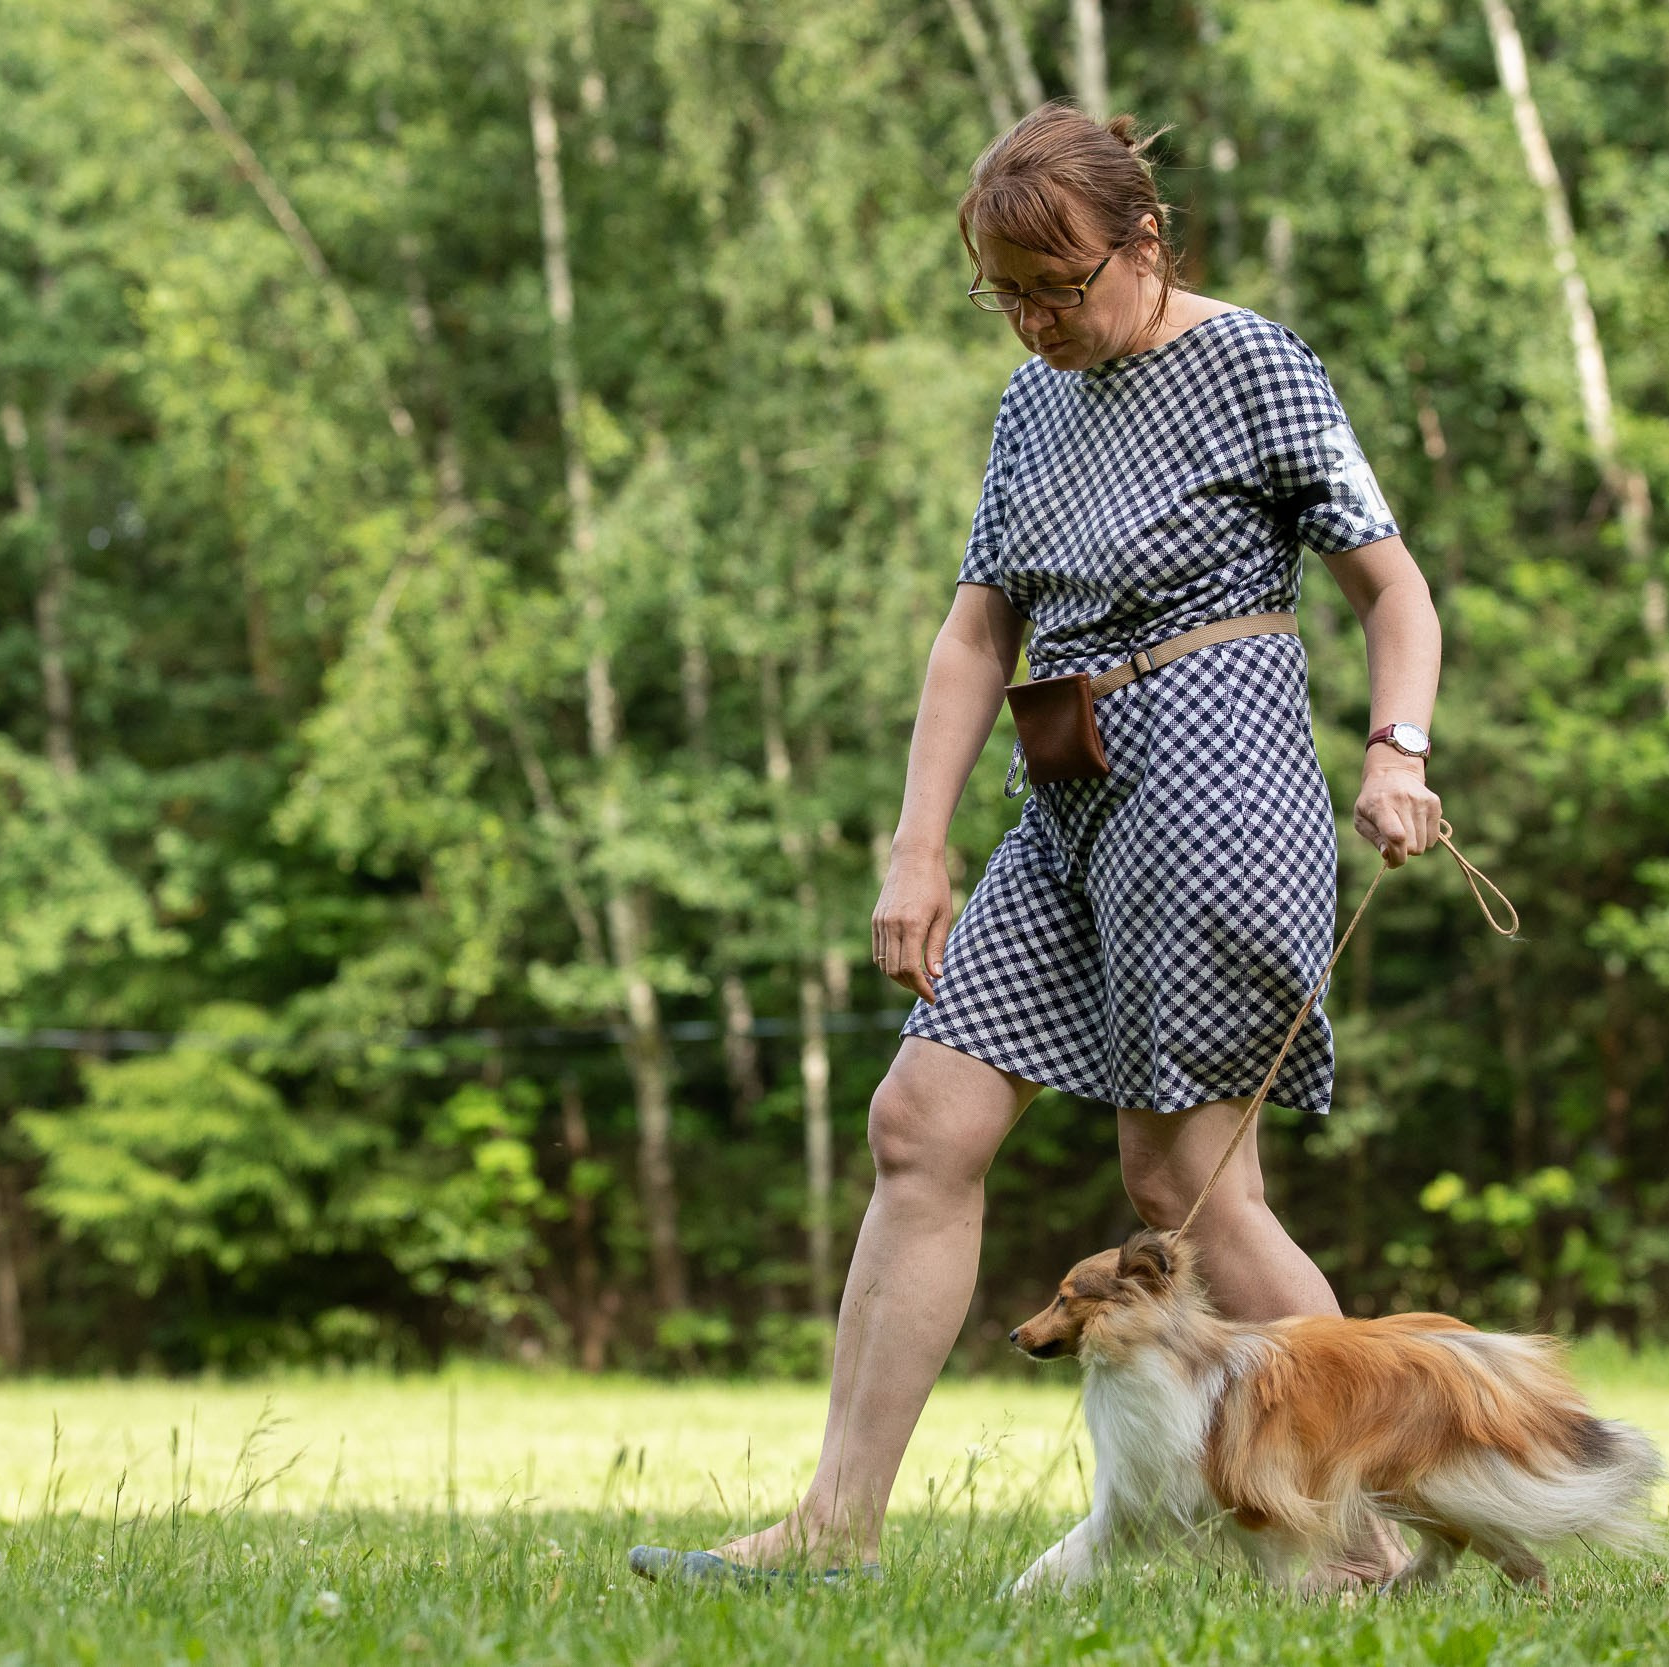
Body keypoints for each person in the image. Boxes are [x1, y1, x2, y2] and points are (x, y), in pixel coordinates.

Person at [629, 101, 1443, 1586]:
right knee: (919, 1126)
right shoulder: (1031, 405)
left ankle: (1361, 1532)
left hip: (1217, 789)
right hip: (1060, 796)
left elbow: (1396, 593)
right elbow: (974, 631)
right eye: (1003, 291)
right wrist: (914, 847)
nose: (1033, 320)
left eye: (1058, 287)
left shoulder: (1255, 362)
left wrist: (1398, 751)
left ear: (1144, 242)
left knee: (1187, 1185)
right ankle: (833, 1530)